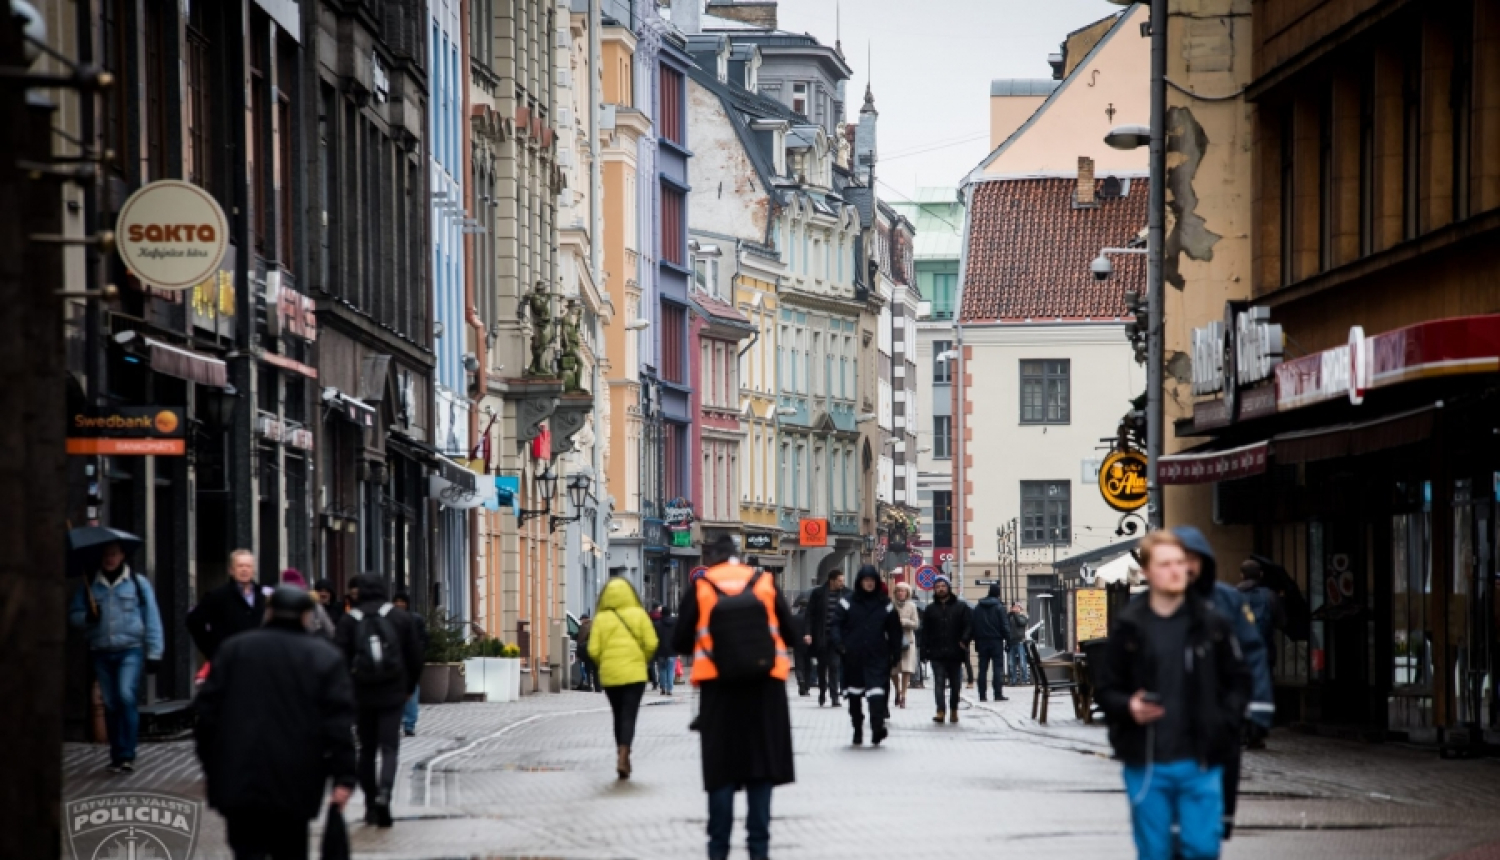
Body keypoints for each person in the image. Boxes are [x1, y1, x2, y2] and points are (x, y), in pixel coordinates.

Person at [1096, 530, 1250, 860]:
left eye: (1180, 563)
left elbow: (1239, 680)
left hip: (1201, 759)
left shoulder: (1212, 623)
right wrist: (1129, 706)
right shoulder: (1129, 627)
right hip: (1147, 759)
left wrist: (1225, 724)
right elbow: (1106, 689)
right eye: (1166, 564)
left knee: (1202, 848)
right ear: (1148, 571)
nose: (1176, 570)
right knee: (1155, 851)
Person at [195, 586, 356, 860]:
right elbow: (338, 723)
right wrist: (344, 777)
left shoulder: (234, 650)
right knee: (290, 849)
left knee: (246, 851)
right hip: (297, 780)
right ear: (307, 616)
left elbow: (206, 717)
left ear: (268, 612)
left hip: (240, 778)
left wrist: (212, 767)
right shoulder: (323, 657)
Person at [673, 534, 796, 860]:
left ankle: (718, 850)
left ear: (712, 557)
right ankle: (759, 850)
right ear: (739, 556)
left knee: (721, 773)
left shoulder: (702, 586)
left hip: (718, 691)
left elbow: (682, 642)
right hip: (765, 689)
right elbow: (792, 633)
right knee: (761, 768)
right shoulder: (764, 582)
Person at [1176, 526, 1276, 837]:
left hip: (1218, 714)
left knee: (1216, 809)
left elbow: (1251, 653)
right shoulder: (1149, 606)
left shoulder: (1229, 600)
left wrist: (1256, 711)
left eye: (1193, 560)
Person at [68, 540, 165, 773]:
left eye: (113, 554)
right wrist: (87, 618)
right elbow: (73, 616)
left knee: (125, 696)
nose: (109, 559)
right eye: (105, 555)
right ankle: (116, 754)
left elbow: (152, 618)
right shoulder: (91, 585)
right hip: (101, 651)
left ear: (122, 556)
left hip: (130, 649)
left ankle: (127, 754)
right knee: (110, 703)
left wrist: (154, 652)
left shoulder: (137, 584)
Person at [334, 574, 423, 827]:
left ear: (358, 592)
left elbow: (338, 658)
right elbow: (415, 656)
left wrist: (344, 691)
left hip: (362, 693)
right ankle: (385, 794)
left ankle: (371, 804)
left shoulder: (350, 620)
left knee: (366, 749)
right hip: (393, 692)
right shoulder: (399, 617)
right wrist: (408, 687)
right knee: (389, 747)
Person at [588, 577, 658, 779]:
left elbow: (593, 649)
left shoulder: (601, 618)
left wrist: (605, 662)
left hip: (611, 676)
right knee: (629, 714)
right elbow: (652, 643)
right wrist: (641, 660)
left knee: (617, 714)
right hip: (635, 676)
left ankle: (620, 752)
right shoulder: (639, 615)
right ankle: (624, 752)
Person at [831, 566, 903, 746]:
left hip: (877, 655)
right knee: (854, 696)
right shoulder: (847, 602)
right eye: (865, 580)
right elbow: (835, 624)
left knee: (877, 695)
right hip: (853, 656)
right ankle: (857, 728)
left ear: (876, 582)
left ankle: (877, 727)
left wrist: (896, 652)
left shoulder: (884, 604)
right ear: (860, 582)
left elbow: (894, 630)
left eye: (872, 580)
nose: (869, 583)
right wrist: (839, 644)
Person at [187, 550, 267, 661]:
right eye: (240, 566)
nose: (244, 570)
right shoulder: (218, 596)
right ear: (231, 570)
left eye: (248, 566)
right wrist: (212, 651)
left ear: (253, 570)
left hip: (259, 660)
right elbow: (194, 621)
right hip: (230, 661)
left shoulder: (264, 596)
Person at [919, 574, 971, 724]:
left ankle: (954, 708)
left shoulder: (961, 607)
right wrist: (924, 650)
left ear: (948, 587)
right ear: (934, 589)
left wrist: (964, 640)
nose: (940, 589)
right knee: (939, 683)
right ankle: (940, 710)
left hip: (956, 651)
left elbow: (968, 625)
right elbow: (925, 631)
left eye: (943, 586)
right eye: (937, 587)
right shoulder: (930, 609)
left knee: (956, 684)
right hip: (936, 652)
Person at [804, 570, 847, 707]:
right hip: (821, 636)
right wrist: (808, 633)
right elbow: (809, 614)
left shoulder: (847, 594)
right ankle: (822, 692)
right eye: (840, 580)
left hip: (837, 637)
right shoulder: (818, 593)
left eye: (843, 580)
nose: (842, 583)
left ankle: (834, 697)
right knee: (822, 666)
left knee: (834, 665)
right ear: (831, 580)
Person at [392, 591, 428, 737]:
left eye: (402, 601)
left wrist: (418, 653)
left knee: (412, 694)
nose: (400, 604)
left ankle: (409, 724)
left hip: (408, 661)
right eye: (397, 601)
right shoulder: (388, 619)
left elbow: (423, 639)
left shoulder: (415, 619)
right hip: (394, 661)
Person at [971, 584, 1012, 702]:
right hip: (996, 641)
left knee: (982, 669)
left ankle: (982, 695)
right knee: (997, 668)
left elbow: (974, 625)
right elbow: (1004, 625)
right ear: (998, 594)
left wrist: (976, 640)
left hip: (982, 641)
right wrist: (1008, 640)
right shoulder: (999, 607)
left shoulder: (978, 607)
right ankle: (997, 694)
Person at [890, 582, 921, 708]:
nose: (900, 593)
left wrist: (904, 622)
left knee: (906, 670)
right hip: (893, 642)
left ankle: (904, 695)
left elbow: (916, 624)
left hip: (908, 641)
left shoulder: (912, 606)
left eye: (903, 591)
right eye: (898, 591)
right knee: (893, 670)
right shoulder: (890, 605)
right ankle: (897, 690)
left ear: (907, 593)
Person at [281, 569, 336, 639]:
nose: (323, 594)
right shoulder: (313, 605)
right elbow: (330, 631)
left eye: (326, 592)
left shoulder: (278, 605)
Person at [653, 603, 680, 697]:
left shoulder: (657, 624)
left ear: (661, 614)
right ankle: (670, 689)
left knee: (662, 670)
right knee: (670, 670)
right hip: (672, 650)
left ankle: (663, 688)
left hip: (660, 650)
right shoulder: (675, 623)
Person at [791, 595, 812, 696]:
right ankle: (806, 687)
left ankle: (801, 681)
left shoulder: (794, 618)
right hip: (808, 645)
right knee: (808, 666)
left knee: (799, 666)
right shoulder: (811, 618)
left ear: (799, 606)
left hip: (797, 644)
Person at [1007, 602, 1032, 686]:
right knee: (1011, 663)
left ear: (1020, 609)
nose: (1015, 609)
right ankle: (1013, 680)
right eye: (1014, 607)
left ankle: (1024, 679)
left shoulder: (1023, 617)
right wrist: (1010, 614)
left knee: (1022, 662)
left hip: (1020, 641)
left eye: (1017, 607)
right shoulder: (1011, 618)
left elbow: (1020, 623)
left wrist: (1015, 614)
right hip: (1012, 642)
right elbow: (1006, 624)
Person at [576, 613, 600, 692]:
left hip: (588, 651)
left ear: (585, 619)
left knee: (588, 669)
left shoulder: (585, 626)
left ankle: (589, 686)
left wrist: (578, 651)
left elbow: (581, 639)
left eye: (581, 620)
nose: (581, 621)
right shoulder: (595, 624)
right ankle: (598, 688)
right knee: (596, 670)